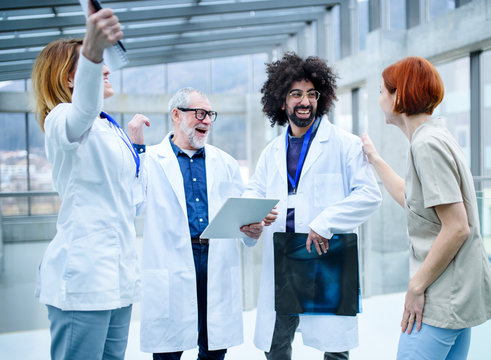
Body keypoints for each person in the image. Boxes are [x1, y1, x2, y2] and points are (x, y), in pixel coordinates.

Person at [240, 52, 382, 360]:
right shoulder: (271, 151)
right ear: (282, 102)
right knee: (276, 346)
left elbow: (369, 194)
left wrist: (326, 220)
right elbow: (253, 190)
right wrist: (253, 217)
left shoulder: (345, 144)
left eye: (311, 94)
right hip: (285, 255)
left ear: (321, 98)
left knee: (334, 349)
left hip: (326, 253)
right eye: (296, 94)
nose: (305, 101)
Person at [31, 2, 147, 359]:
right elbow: (82, 109)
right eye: (94, 63)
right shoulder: (63, 119)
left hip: (119, 277)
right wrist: (93, 49)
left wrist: (138, 150)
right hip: (83, 278)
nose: (105, 69)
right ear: (70, 77)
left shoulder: (108, 126)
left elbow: (132, 201)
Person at [361, 56, 491, 360]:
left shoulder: (426, 146)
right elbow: (411, 198)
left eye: (383, 91)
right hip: (457, 294)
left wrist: (415, 287)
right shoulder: (433, 136)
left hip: (441, 297)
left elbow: (457, 226)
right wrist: (374, 158)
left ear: (399, 96)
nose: (379, 98)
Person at [128, 87, 260, 360]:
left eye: (210, 114)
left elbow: (241, 210)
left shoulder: (224, 162)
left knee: (214, 348)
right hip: (173, 261)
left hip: (215, 258)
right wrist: (136, 148)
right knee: (168, 350)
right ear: (176, 115)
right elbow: (133, 202)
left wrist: (252, 229)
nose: (207, 120)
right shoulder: (150, 159)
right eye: (200, 113)